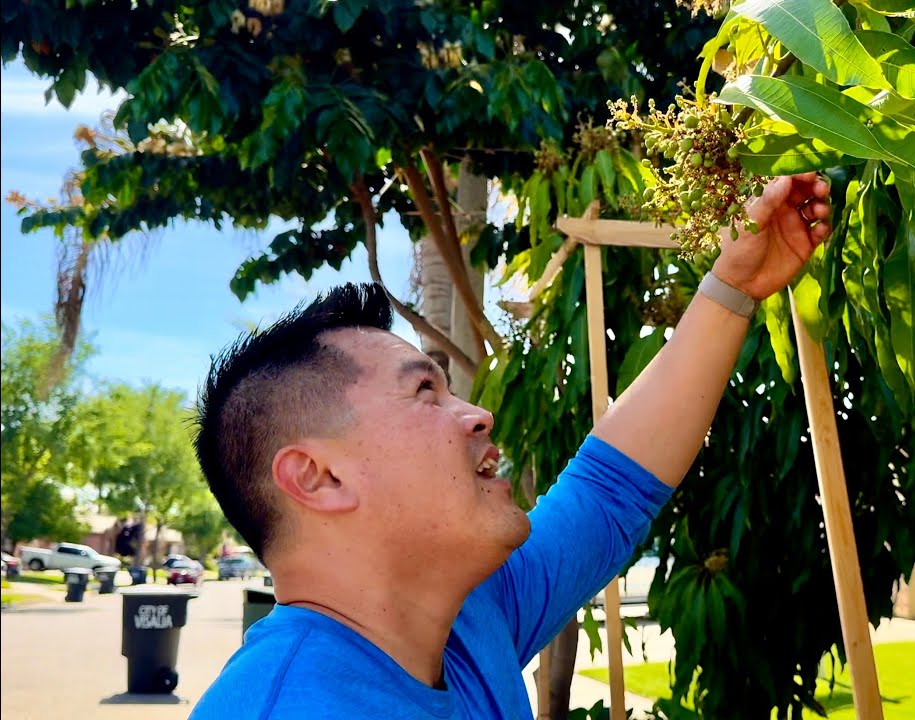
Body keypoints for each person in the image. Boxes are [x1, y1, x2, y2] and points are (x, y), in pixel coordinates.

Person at [189, 172, 832, 718]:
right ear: (318, 478)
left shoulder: (470, 622)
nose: (479, 414)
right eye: (424, 393)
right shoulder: (290, 706)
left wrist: (733, 286)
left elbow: (611, 490)